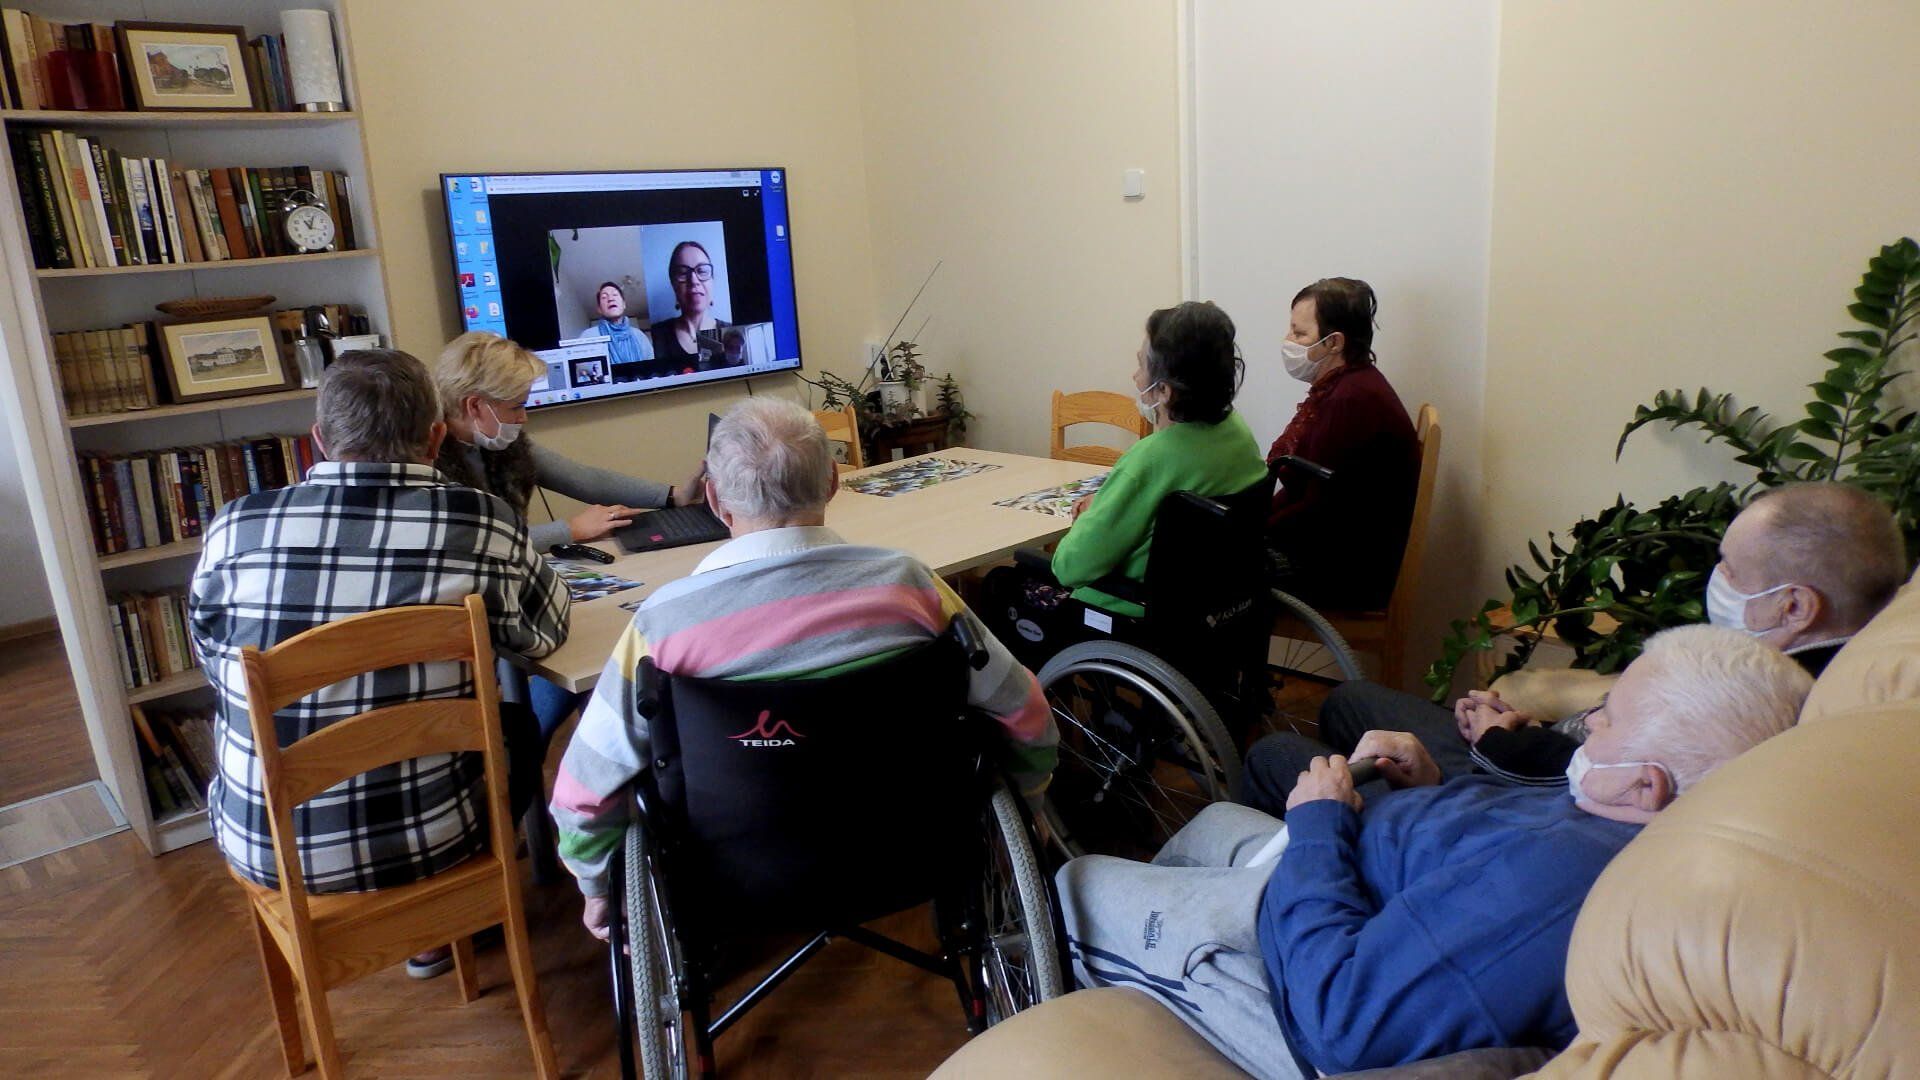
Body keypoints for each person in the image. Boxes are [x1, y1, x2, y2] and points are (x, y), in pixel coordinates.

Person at [1058, 626, 1811, 1078]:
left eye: (1605, 721)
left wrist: (1319, 830)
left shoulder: (1558, 892)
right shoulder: (1626, 813)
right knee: (1216, 821)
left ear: (1648, 786)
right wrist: (1428, 787)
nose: (1585, 729)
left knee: (1073, 883)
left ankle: (1101, 993)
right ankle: (1145, 977)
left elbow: (1343, 1021)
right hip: (1352, 870)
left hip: (1302, 972)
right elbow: (1521, 827)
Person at [550, 398, 1058, 939]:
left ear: (717, 501)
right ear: (834, 481)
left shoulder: (665, 625)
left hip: (736, 878)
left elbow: (584, 791)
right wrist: (1032, 798)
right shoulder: (910, 586)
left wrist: (597, 886)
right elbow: (1024, 709)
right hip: (910, 851)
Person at [189, 349, 570, 977]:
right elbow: (545, 631)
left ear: (319, 440)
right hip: (429, 840)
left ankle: (417, 936)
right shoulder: (480, 524)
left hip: (263, 841)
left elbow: (213, 660)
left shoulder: (233, 529)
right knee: (519, 726)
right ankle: (444, 917)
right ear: (437, 435)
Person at [1239, 480, 1907, 815]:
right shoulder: (1811, 660)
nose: (1718, 581)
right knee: (1352, 699)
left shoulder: (1772, 698)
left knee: (1278, 755)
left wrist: (1501, 742)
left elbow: (1607, 788)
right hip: (1537, 752)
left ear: (1795, 605)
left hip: (1514, 795)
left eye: (1732, 569)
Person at [431, 331, 706, 740]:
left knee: (594, 666)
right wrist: (570, 530)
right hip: (472, 604)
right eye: (517, 407)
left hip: (520, 584)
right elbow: (484, 543)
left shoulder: (502, 441)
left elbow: (584, 479)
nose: (524, 418)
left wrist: (671, 496)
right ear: (475, 406)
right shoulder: (430, 460)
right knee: (589, 670)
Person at [982, 302, 1268, 664]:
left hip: (1137, 611)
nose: (1135, 377)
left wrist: (1088, 516)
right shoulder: (1238, 434)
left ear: (1164, 390)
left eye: (1141, 365)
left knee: (1002, 584)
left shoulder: (1149, 459)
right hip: (1219, 602)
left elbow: (1072, 567)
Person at [1265, 278, 1418, 611]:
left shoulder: (1351, 401)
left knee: (1203, 572)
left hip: (1345, 573)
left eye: (1299, 334)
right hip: (1338, 552)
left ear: (1334, 342)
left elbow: (1318, 508)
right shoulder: (1348, 387)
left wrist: (1249, 533)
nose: (1288, 341)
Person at [649, 240, 731, 372]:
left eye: (702, 271)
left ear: (712, 280)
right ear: (673, 284)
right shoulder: (656, 335)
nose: (693, 280)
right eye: (682, 272)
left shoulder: (732, 331)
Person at [577, 281, 657, 381]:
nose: (610, 299)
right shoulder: (588, 336)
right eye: (604, 297)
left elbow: (651, 369)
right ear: (599, 309)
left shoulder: (639, 336)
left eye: (615, 294)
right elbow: (584, 371)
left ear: (624, 304)